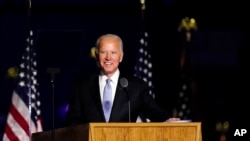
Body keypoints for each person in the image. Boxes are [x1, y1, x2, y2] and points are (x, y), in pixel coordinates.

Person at [64, 33, 179, 126]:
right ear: (97, 55)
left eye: (113, 52)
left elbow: (154, 111)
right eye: (103, 52)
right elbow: (72, 123)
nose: (108, 57)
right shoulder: (82, 86)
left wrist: (168, 120)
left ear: (121, 56)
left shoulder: (136, 86)